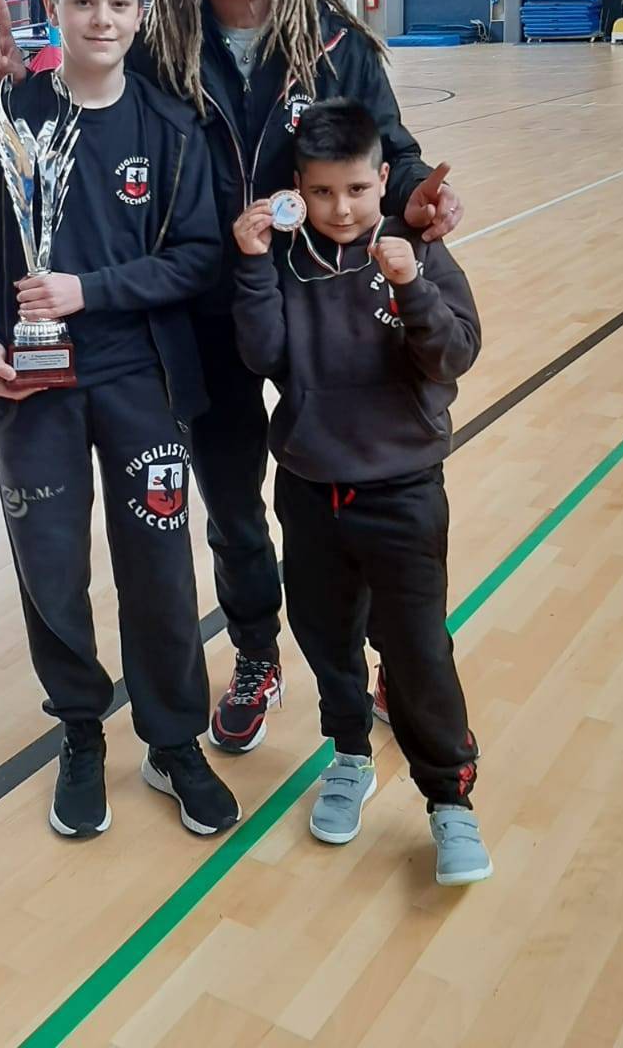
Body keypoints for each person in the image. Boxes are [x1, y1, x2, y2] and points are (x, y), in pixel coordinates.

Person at [0, 0, 465, 757]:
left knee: (361, 499)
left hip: (329, 311)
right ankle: (255, 653)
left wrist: (418, 195)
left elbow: (390, 155)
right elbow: (84, 88)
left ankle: (386, 655)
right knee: (233, 508)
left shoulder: (337, 45)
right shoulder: (157, 46)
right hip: (205, 314)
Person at [0, 0, 241, 842]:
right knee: (52, 571)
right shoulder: (8, 121)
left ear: (140, 10)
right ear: (54, 9)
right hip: (32, 392)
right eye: (83, 2)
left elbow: (198, 257)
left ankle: (172, 740)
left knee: (159, 567)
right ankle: (79, 730)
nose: (102, 19)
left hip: (140, 382)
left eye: (118, 2)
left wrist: (91, 290)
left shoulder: (169, 128)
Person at [231, 100, 492, 886]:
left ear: (382, 180)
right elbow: (262, 356)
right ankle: (348, 753)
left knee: (416, 649)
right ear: (297, 189)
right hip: (311, 488)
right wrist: (251, 265)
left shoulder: (416, 250)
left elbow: (453, 355)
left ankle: (448, 798)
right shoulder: (287, 260)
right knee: (325, 636)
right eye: (320, 193)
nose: (339, 209)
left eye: (354, 190)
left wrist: (410, 285)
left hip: (402, 492)